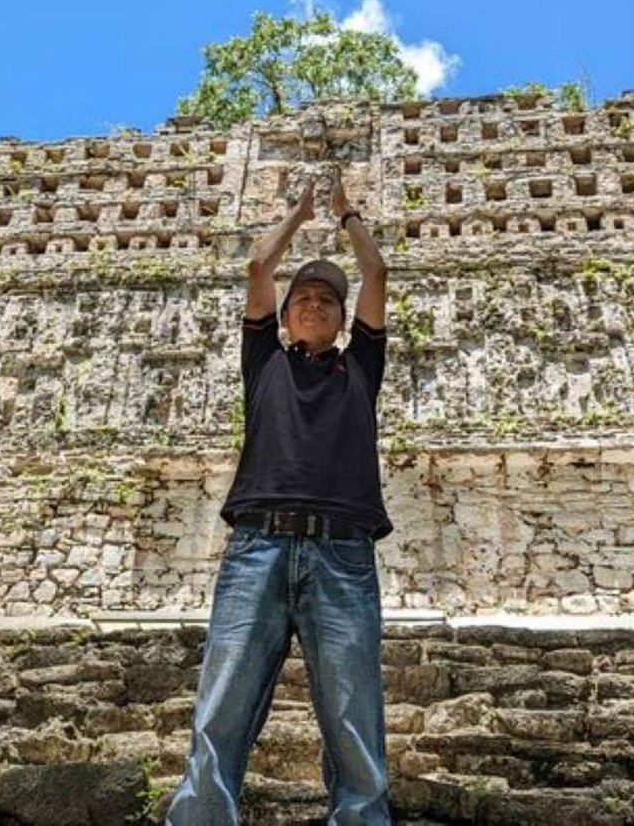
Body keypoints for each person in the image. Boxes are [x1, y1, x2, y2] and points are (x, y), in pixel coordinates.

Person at [166, 173, 393, 825]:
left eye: (328, 299)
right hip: (258, 542)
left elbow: (375, 273)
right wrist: (297, 215)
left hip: (342, 549)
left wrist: (346, 215)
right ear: (286, 313)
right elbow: (259, 265)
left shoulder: (360, 366)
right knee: (223, 702)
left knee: (353, 709)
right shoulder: (262, 358)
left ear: (345, 320)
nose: (315, 304)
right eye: (304, 297)